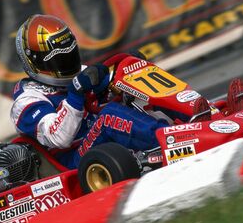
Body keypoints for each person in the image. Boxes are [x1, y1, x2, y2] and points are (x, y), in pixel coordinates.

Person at [10, 14, 169, 169]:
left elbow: (109, 96)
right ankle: (168, 139)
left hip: (105, 147)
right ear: (33, 62)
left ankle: (189, 116)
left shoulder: (79, 74)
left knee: (139, 89)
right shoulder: (26, 101)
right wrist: (75, 95)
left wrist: (129, 74)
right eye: (58, 59)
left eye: (69, 55)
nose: (66, 64)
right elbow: (58, 137)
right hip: (75, 161)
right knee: (109, 117)